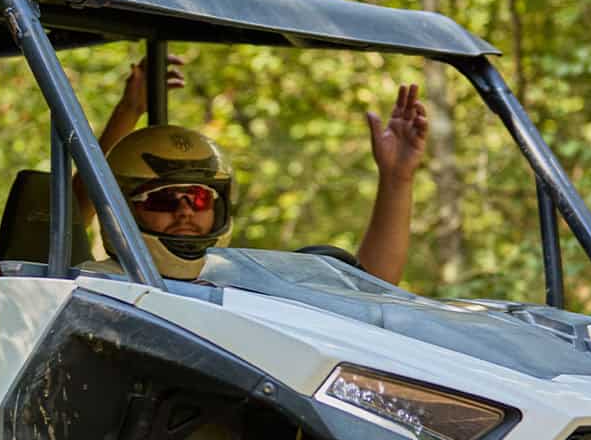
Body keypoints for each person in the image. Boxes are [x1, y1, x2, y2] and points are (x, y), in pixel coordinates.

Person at [78, 59, 428, 284]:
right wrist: (127, 111)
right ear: (122, 206)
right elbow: (69, 215)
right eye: (164, 200)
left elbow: (373, 288)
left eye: (199, 198)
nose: (185, 211)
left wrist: (397, 179)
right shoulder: (98, 292)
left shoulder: (238, 282)